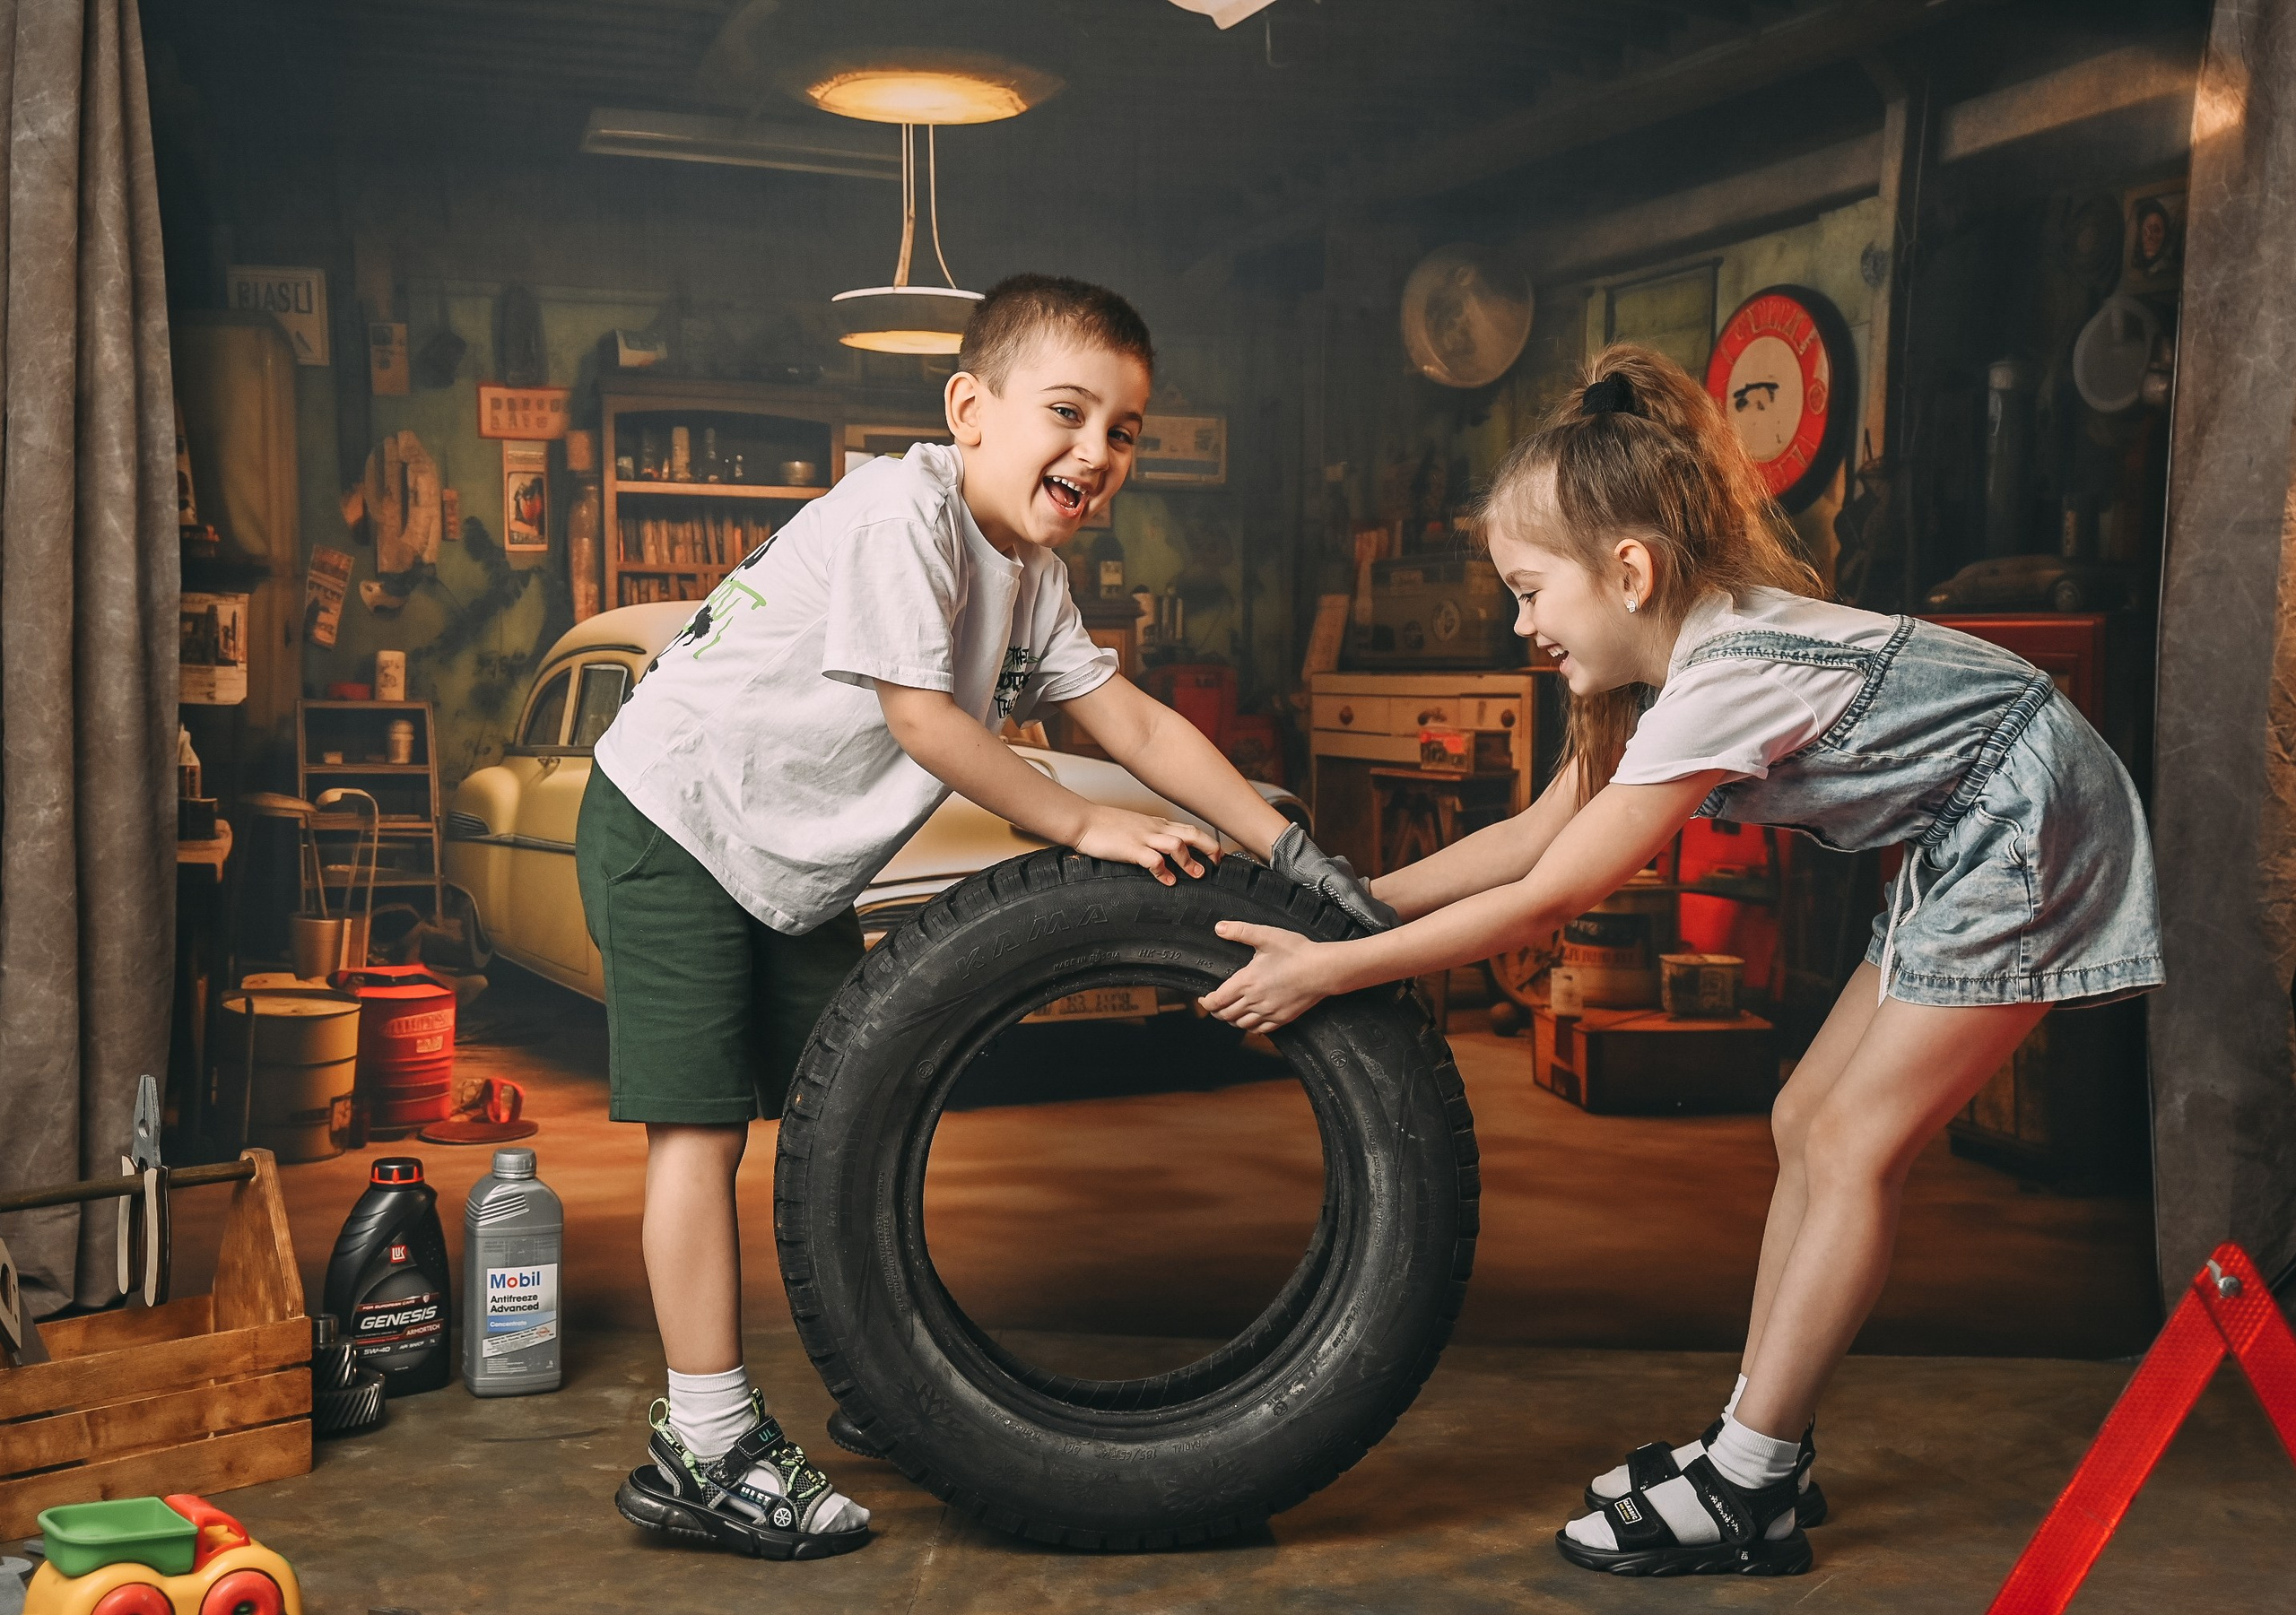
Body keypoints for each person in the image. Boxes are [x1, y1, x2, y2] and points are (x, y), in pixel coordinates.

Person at [1200, 343, 2163, 1578]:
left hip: (2033, 819)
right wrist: (1352, 906)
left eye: (1532, 591)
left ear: (1631, 569)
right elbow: (1535, 832)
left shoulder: (1723, 679)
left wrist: (1331, 972)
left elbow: (1555, 893)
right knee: (1806, 1113)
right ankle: (1761, 1441)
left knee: (1858, 1140)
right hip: (1975, 819)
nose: (1520, 622)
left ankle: (1748, 1481)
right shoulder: (1680, 666)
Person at [577, 274, 1380, 1560]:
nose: (1096, 451)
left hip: (783, 863)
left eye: (1124, 429)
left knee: (837, 1129)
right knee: (701, 1130)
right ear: (970, 408)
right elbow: (923, 721)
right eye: (1068, 411)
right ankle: (705, 1443)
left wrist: (1282, 841)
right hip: (674, 818)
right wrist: (1079, 821)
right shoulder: (906, 512)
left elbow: (1134, 721)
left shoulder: (1028, 574)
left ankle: (873, 1382)